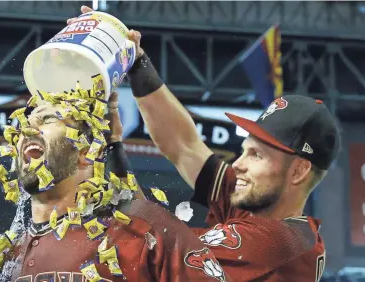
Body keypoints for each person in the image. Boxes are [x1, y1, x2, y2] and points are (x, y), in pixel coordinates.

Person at [74, 6, 341, 282]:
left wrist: (100, 152)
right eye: (245, 150)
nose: (238, 164)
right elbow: (183, 145)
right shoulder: (253, 205)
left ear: (298, 171)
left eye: (257, 155)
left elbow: (151, 246)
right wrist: (136, 61)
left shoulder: (282, 242)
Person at [4, 90, 227, 282]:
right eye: (24, 124)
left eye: (48, 119)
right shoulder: (7, 254)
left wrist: (113, 144)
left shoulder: (143, 228)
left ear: (86, 151)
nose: (29, 130)